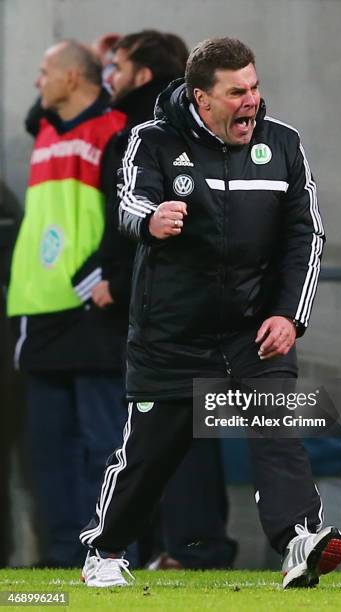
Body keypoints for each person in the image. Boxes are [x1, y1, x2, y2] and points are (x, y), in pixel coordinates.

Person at [79, 37, 341, 589]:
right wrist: (151, 220)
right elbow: (128, 203)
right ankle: (104, 552)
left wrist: (290, 316)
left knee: (279, 432)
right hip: (171, 335)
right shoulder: (151, 141)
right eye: (235, 92)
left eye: (254, 88)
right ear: (202, 98)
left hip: (254, 331)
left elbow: (306, 236)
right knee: (149, 456)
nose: (250, 101)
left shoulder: (284, 145)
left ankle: (299, 538)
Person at [99, 28, 237, 571]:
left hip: (163, 309)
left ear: (144, 73)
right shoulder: (162, 131)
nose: (108, 73)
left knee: (172, 431)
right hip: (181, 307)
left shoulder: (147, 134)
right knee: (171, 432)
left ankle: (187, 549)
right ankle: (175, 548)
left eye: (117, 64)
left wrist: (112, 275)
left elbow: (124, 219)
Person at [7, 40, 127, 567]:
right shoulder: (47, 129)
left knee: (105, 444)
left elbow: (127, 217)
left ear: (75, 77)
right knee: (48, 451)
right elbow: (40, 107)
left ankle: (109, 553)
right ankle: (60, 557)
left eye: (44, 71)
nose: (38, 83)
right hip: (39, 310)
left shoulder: (115, 131)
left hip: (89, 309)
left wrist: (101, 277)